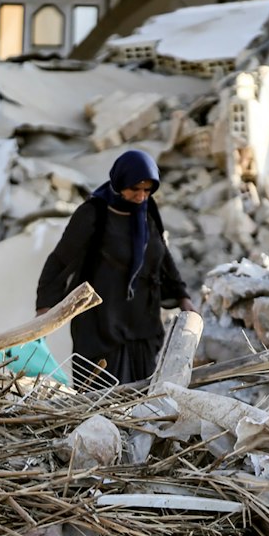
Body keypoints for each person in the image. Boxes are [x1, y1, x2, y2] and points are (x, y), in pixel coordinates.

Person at [36, 147, 194, 385]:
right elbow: (61, 258)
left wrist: (182, 296)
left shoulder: (147, 213)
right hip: (101, 325)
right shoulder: (94, 213)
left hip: (142, 323)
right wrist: (45, 305)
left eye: (147, 190)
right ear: (120, 183)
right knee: (101, 396)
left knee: (144, 396)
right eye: (135, 189)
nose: (141, 196)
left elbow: (161, 253)